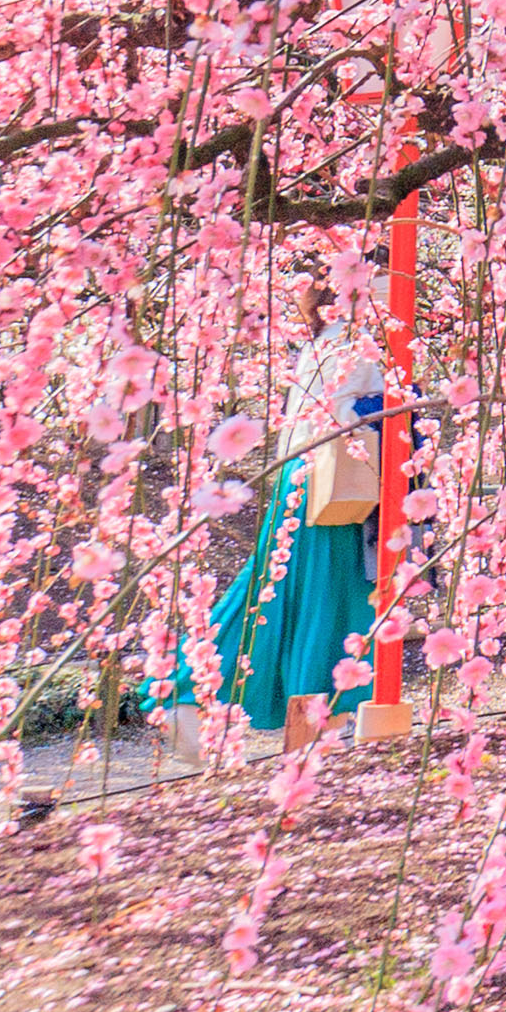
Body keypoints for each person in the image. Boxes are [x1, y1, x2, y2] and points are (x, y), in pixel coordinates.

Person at [181, 269, 385, 752]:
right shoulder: (355, 344)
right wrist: (393, 409)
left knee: (282, 592)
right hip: (333, 481)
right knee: (327, 598)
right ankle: (197, 689)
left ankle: (195, 691)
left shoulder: (327, 340)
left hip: (306, 478)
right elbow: (339, 415)